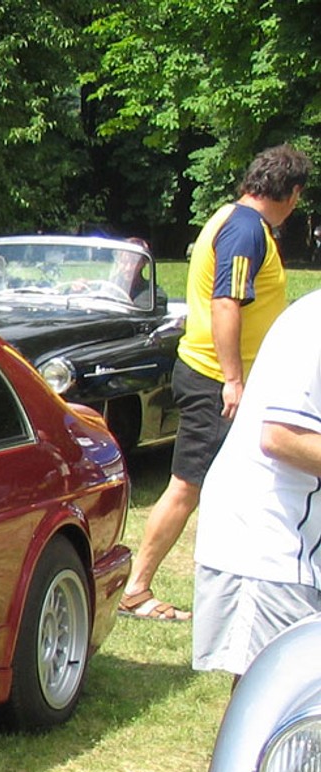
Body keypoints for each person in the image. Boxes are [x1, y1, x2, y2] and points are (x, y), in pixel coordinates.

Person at [121, 144, 310, 622]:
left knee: (213, 484)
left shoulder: (232, 215)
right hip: (213, 380)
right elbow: (227, 302)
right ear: (291, 193)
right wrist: (232, 380)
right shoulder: (247, 230)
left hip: (215, 376)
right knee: (187, 485)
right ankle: (135, 589)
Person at [191, 289, 321, 677]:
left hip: (300, 548)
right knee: (271, 698)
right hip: (268, 547)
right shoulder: (313, 324)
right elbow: (281, 437)